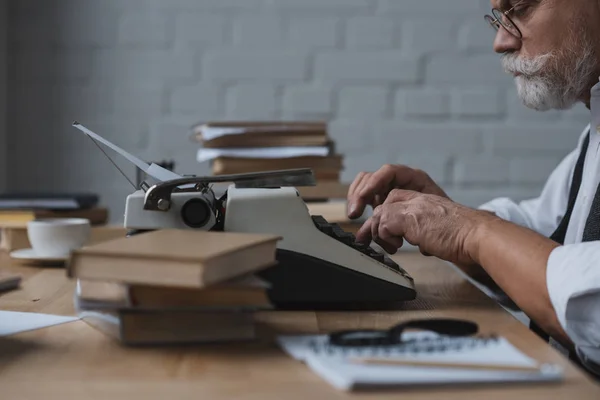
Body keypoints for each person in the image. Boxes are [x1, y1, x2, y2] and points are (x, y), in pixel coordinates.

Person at [347, 0, 600, 377]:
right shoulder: (592, 138)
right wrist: (443, 216)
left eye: (522, 8)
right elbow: (543, 241)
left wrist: (470, 231)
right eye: (500, 17)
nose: (501, 42)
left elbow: (589, 306)